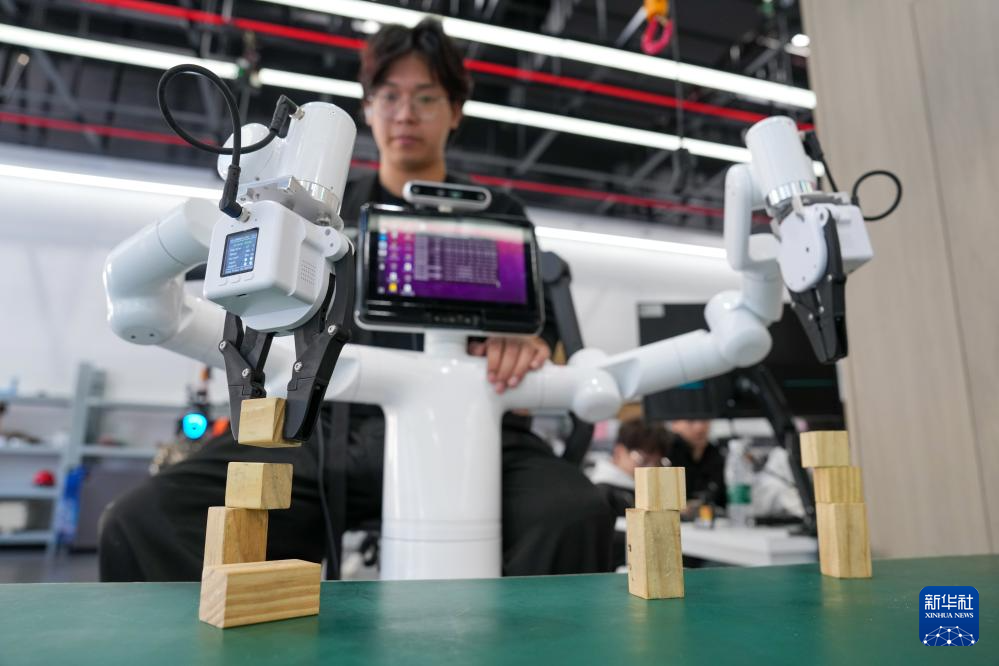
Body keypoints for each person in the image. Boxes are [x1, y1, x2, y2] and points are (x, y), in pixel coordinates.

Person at [98, 18, 614, 582]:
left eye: (426, 98)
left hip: (470, 432)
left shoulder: (500, 216)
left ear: (455, 111)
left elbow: (540, 331)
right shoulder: (322, 210)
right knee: (146, 519)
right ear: (368, 108)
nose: (406, 113)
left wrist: (525, 342)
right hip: (322, 426)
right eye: (389, 97)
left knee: (573, 514)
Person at [588, 418, 671, 569]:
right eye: (642, 460)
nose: (650, 468)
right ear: (619, 451)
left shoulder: (641, 487)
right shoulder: (602, 492)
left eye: (657, 462)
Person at [666, 419, 727, 512]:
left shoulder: (718, 454)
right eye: (691, 421)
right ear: (675, 424)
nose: (700, 428)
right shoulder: (665, 454)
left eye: (704, 420)